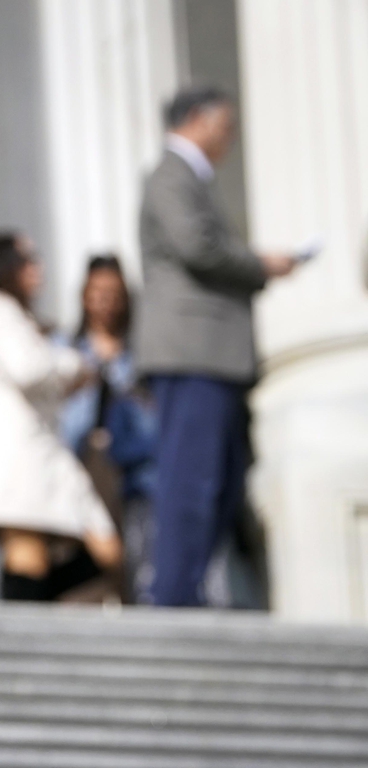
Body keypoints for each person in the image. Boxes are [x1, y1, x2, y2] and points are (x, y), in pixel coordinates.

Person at [135, 86, 298, 607]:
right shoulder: (171, 174)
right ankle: (175, 595)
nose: (228, 138)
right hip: (192, 352)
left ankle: (188, 587)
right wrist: (260, 264)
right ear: (198, 121)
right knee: (191, 480)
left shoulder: (189, 178)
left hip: (212, 356)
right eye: (224, 126)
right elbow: (197, 246)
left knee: (220, 480)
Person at [0, 234, 122, 601]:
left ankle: (29, 614)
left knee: (103, 551)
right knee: (27, 556)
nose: (37, 269)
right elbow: (29, 368)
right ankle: (19, 642)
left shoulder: (11, 314)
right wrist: (75, 365)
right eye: (27, 260)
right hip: (15, 458)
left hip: (41, 453)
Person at [60, 255, 157, 603]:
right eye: (97, 292)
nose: (106, 301)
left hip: (128, 468)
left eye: (114, 293)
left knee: (132, 548)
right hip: (78, 461)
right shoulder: (66, 350)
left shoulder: (141, 356)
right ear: (84, 296)